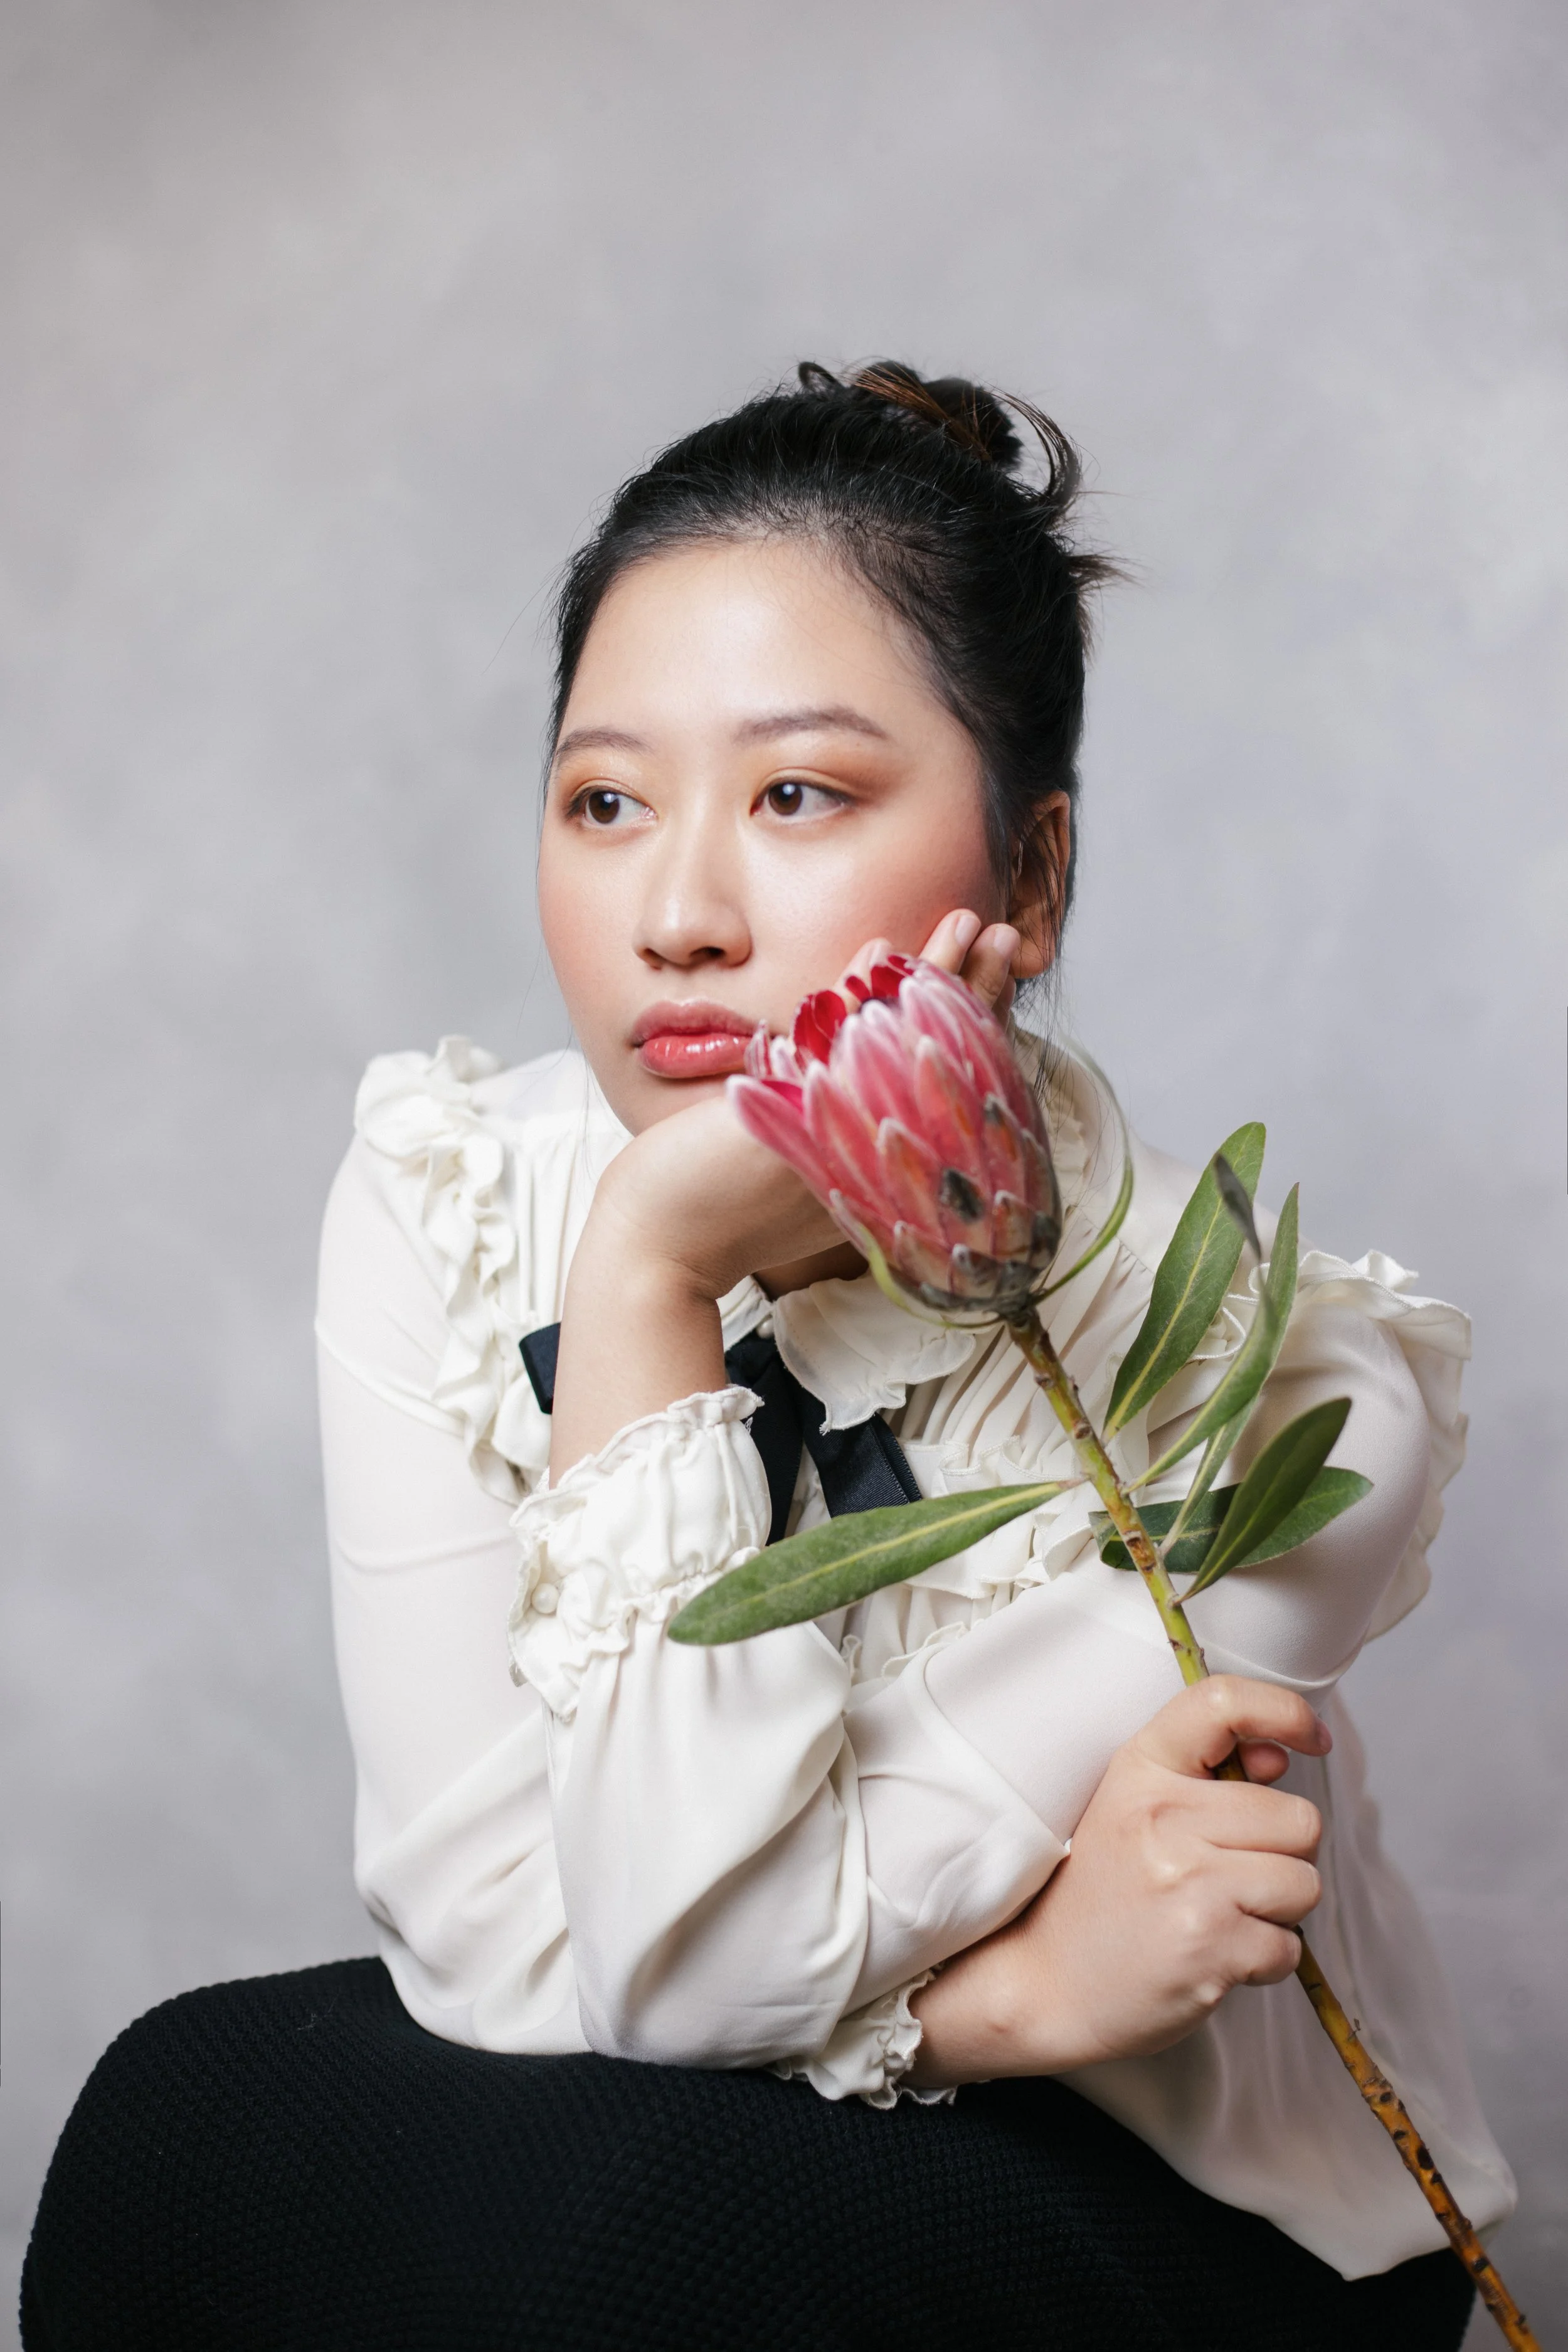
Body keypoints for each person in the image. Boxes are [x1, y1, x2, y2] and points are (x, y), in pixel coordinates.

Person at [23, 363, 1513, 2351]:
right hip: (842, 2093)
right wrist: (1004, 1998)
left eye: (798, 793)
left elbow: (686, 1964)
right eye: (604, 800)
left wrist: (642, 1281)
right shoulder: (455, 1197)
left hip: (1193, 2209)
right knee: (183, 2117)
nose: (678, 912)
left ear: (1034, 870)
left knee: (629, 2253)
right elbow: (495, 1939)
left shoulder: (1293, 1385)